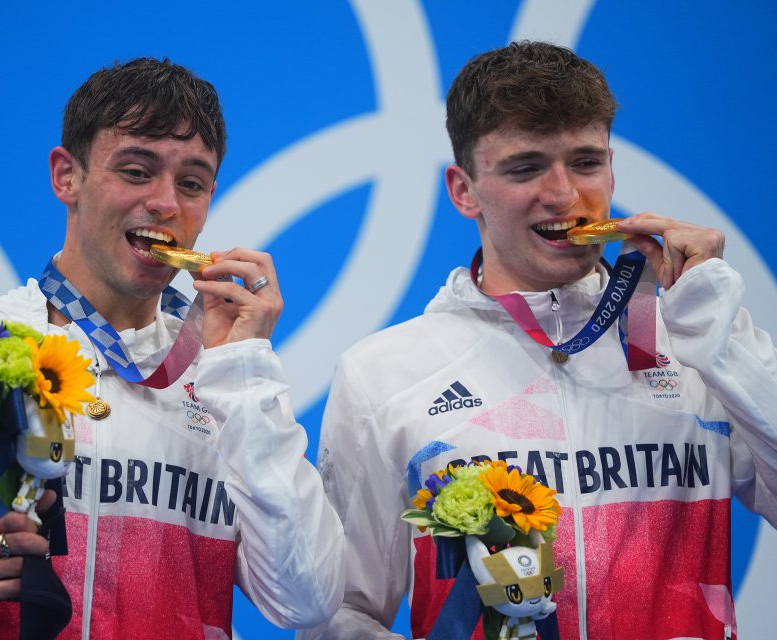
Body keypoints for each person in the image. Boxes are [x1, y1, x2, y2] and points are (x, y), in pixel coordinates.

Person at [0, 58, 344, 639]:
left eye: (191, 183)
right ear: (67, 176)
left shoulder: (228, 382)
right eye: (137, 170)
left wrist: (244, 375)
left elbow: (307, 601)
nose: (166, 203)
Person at [301, 41, 777, 639]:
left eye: (584, 163)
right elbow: (339, 612)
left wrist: (720, 339)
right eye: (526, 168)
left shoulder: (695, 345)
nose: (563, 195)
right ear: (463, 189)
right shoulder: (385, 371)